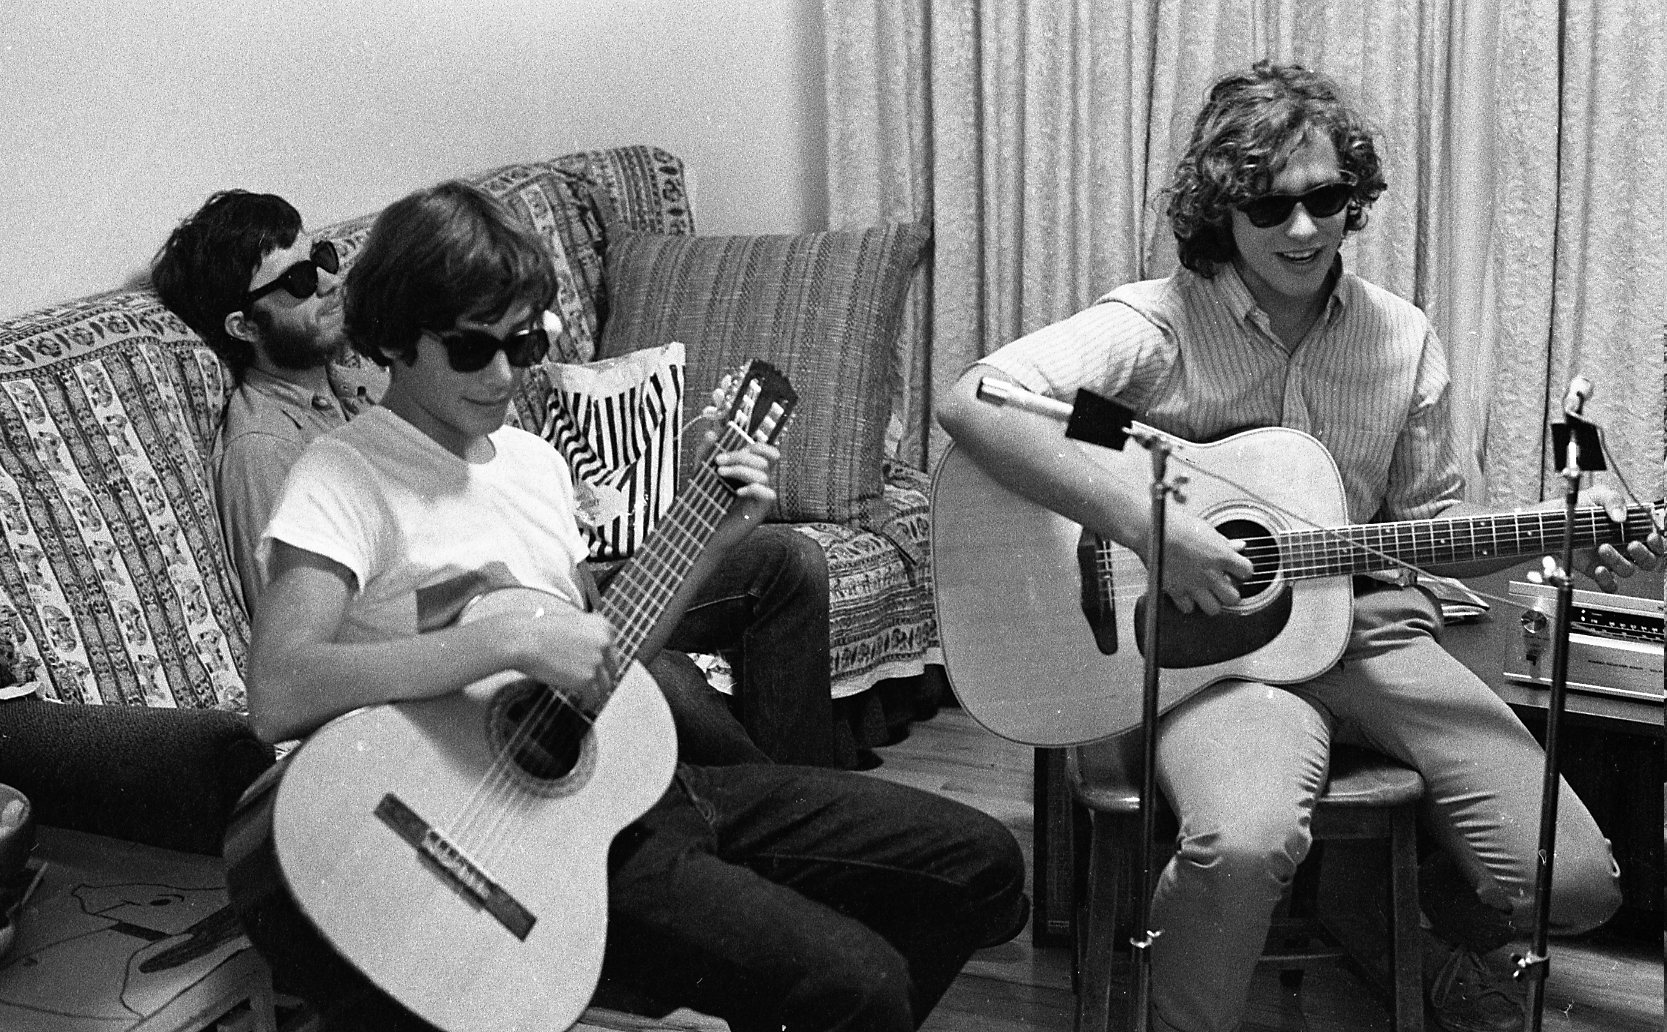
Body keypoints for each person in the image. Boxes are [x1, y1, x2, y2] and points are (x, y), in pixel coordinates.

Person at [936, 60, 1663, 1032]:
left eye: (1323, 198)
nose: (1302, 229)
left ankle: (1376, 918)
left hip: (1366, 631)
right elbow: (978, 400)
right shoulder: (1154, 328)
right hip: (1213, 662)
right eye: (1267, 205)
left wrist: (1567, 533)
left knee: (1572, 880)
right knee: (1242, 846)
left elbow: (1428, 529)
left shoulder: (1399, 340)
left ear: (1352, 198)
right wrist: (1154, 529)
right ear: (1220, 209)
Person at [241, 179, 1027, 1031]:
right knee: (859, 986)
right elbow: (280, 690)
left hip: (633, 792)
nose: (504, 375)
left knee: (981, 864)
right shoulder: (344, 476)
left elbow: (599, 657)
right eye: (471, 350)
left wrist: (712, 537)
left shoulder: (534, 465)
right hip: (514, 840)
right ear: (396, 338)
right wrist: (506, 643)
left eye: (524, 342)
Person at [151, 190, 844, 768]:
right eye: (300, 281)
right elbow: (300, 654)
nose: (330, 282)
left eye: (325, 260)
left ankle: (798, 785)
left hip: (543, 596)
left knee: (782, 561)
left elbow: (559, 582)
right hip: (465, 668)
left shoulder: (367, 385)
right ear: (244, 326)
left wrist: (696, 526)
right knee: (665, 679)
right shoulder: (276, 452)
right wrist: (510, 638)